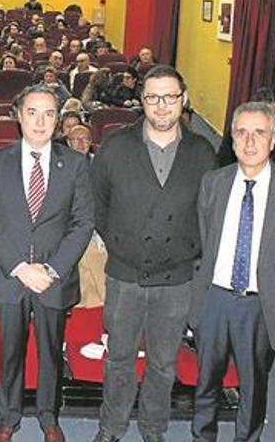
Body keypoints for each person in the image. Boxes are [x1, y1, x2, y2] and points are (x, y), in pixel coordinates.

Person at [90, 65, 217, 442]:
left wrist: (190, 249)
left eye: (170, 97)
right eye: (153, 97)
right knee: (119, 360)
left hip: (176, 278)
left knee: (163, 363)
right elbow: (98, 205)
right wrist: (117, 244)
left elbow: (208, 213)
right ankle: (111, 428)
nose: (161, 106)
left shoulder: (202, 152)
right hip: (125, 275)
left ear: (184, 99)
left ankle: (153, 428)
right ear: (141, 101)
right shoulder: (115, 146)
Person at [190, 102, 275, 442]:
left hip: (259, 306)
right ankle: (202, 437)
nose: (249, 142)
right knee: (206, 383)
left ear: (274, 139)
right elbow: (205, 238)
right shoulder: (213, 184)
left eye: (259, 132)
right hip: (214, 300)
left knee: (253, 386)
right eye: (241, 132)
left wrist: (271, 291)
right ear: (231, 139)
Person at [0, 84, 93, 442]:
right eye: (32, 112)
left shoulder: (75, 164)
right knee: (10, 353)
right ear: (19, 116)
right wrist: (19, 267)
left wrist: (51, 269)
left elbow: (82, 223)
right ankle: (8, 418)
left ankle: (49, 418)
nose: (40, 121)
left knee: (50, 354)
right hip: (10, 277)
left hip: (53, 280)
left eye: (48, 114)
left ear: (58, 120)